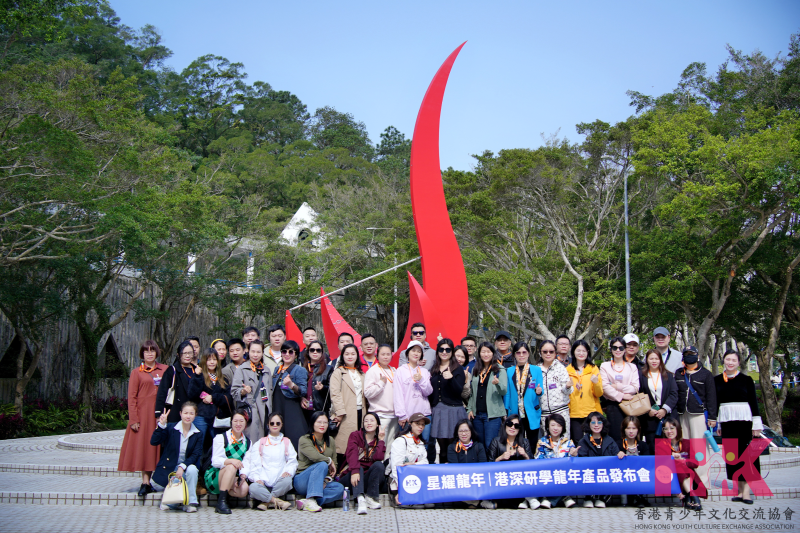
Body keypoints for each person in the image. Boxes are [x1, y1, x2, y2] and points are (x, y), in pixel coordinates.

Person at [119, 340, 168, 497]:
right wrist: (134, 419)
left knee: (162, 448)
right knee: (146, 448)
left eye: (152, 350)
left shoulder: (165, 370)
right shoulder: (136, 372)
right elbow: (131, 397)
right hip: (144, 416)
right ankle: (145, 482)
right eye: (146, 351)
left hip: (161, 415)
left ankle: (165, 480)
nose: (149, 353)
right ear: (142, 354)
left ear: (156, 353)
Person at [714, 348, 762, 505]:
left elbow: (754, 403)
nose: (730, 363)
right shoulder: (717, 380)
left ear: (738, 363)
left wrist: (756, 424)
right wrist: (719, 423)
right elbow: (717, 404)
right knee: (733, 457)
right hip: (727, 423)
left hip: (744, 422)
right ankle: (740, 491)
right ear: (724, 361)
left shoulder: (746, 380)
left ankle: (747, 493)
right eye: (728, 360)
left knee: (746, 456)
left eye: (734, 360)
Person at [674, 345, 717, 491]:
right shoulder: (678, 373)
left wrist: (712, 416)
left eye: (691, 353)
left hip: (698, 414)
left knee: (700, 449)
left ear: (697, 356)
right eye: (686, 354)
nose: (688, 356)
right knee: (684, 448)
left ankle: (702, 483)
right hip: (681, 414)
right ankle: (686, 482)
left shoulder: (705, 374)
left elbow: (711, 397)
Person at [149, 402, 203, 512]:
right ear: (180, 413)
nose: (188, 416)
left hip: (186, 466)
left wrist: (182, 466)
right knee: (168, 506)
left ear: (195, 415)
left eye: (191, 413)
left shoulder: (198, 433)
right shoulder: (171, 428)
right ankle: (175, 502)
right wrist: (161, 425)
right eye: (185, 413)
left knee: (192, 470)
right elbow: (154, 441)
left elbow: (195, 454)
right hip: (171, 466)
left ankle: (191, 502)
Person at [242, 412, 297, 511]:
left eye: (278, 423)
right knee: (253, 488)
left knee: (288, 481)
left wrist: (288, 471)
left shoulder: (286, 442)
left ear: (282, 425)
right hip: (263, 483)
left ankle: (266, 502)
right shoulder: (261, 442)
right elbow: (254, 464)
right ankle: (278, 501)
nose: (275, 425)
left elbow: (293, 461)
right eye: (272, 423)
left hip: (280, 482)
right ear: (268, 425)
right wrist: (257, 478)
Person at [294, 412, 344, 512]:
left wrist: (326, 480)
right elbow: (316, 457)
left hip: (322, 481)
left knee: (339, 488)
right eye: (319, 422)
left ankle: (309, 501)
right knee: (322, 464)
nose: (322, 425)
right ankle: (312, 497)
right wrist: (329, 461)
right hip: (303, 480)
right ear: (313, 423)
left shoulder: (331, 440)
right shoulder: (304, 439)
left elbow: (335, 464)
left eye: (325, 422)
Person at [429, 338, 468, 464]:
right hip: (438, 410)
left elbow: (459, 391)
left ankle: (455, 473)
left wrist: (451, 379)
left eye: (447, 349)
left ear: (452, 351)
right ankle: (442, 474)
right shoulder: (434, 368)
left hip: (453, 410)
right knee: (442, 448)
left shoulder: (457, 369)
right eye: (441, 349)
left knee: (453, 446)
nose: (444, 352)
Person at [205, 409, 251, 514]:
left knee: (244, 489)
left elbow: (247, 462)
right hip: (215, 475)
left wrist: (243, 475)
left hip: (232, 475)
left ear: (245, 423)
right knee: (231, 466)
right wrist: (230, 461)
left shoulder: (248, 442)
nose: (238, 424)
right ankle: (221, 502)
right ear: (231, 422)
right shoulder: (221, 437)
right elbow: (215, 461)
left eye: (241, 421)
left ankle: (225, 494)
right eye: (235, 421)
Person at [330, 343, 368, 466]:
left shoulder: (361, 374)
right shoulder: (338, 372)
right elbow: (335, 394)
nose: (350, 356)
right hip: (345, 413)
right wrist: (340, 412)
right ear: (342, 356)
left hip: (360, 413)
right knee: (343, 445)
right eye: (347, 354)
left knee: (358, 446)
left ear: (357, 356)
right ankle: (340, 474)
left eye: (353, 353)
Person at [341, 412, 386, 515]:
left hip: (365, 479)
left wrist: (381, 440)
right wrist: (355, 471)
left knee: (379, 465)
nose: (368, 423)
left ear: (377, 425)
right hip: (351, 476)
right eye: (366, 421)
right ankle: (360, 499)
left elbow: (378, 458)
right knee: (359, 468)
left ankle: (370, 497)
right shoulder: (355, 435)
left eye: (372, 421)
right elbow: (352, 454)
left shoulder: (377, 441)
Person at [488, 414, 537, 509]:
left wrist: (525, 455)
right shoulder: (496, 441)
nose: (512, 427)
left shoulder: (524, 442)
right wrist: (501, 457)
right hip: (501, 478)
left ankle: (526, 499)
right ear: (505, 425)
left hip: (518, 479)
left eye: (516, 426)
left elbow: (532, 465)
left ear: (520, 429)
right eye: (510, 424)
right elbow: (489, 463)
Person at [600, 336, 640, 448]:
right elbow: (605, 387)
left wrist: (617, 386)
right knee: (616, 436)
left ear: (625, 349)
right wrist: (622, 395)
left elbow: (635, 387)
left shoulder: (632, 367)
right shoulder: (605, 366)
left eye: (621, 348)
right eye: (615, 347)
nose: (618, 350)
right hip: (613, 406)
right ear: (611, 349)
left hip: (630, 405)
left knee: (631, 434)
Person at [269, 340, 309, 450]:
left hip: (291, 409)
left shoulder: (299, 370)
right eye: (284, 351)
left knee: (293, 438)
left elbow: (303, 391)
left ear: (296, 354)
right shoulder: (277, 369)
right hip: (278, 407)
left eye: (291, 352)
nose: (287, 354)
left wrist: (291, 385)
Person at [393, 340, 433, 448]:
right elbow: (398, 394)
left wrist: (421, 380)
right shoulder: (400, 371)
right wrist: (401, 415)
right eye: (413, 351)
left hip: (424, 414)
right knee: (407, 445)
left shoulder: (424, 372)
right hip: (408, 415)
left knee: (424, 445)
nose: (416, 353)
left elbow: (428, 391)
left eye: (419, 351)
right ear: (407, 353)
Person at [231, 340, 272, 443]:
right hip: (251, 411)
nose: (255, 355)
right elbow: (234, 392)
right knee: (251, 440)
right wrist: (243, 391)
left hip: (265, 411)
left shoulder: (266, 371)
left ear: (262, 352)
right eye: (253, 351)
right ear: (248, 351)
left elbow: (270, 392)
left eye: (258, 352)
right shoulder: (242, 369)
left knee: (264, 441)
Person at [533, 413, 579, 508]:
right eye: (553, 425)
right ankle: (565, 498)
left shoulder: (568, 442)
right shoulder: (542, 442)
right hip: (547, 473)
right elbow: (538, 459)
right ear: (548, 427)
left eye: (559, 425)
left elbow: (574, 463)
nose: (555, 428)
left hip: (563, 474)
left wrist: (574, 455)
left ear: (563, 428)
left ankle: (549, 499)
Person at [187, 348, 231, 446]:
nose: (212, 362)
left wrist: (214, 397)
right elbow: (192, 395)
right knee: (198, 445)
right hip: (201, 416)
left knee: (218, 446)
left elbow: (228, 398)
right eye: (209, 359)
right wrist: (197, 376)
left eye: (214, 359)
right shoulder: (199, 375)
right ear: (204, 361)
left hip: (219, 418)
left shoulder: (223, 378)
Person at [447, 419, 494, 509]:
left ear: (471, 432)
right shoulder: (452, 448)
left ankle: (474, 502)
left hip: (476, 480)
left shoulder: (479, 446)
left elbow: (482, 466)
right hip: (461, 481)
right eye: (461, 431)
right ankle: (477, 502)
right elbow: (454, 468)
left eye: (466, 431)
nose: (464, 434)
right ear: (457, 433)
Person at [364, 344, 400, 459]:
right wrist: (381, 383)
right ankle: (378, 470)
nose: (385, 357)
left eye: (388, 354)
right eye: (383, 354)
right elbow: (368, 393)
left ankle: (388, 471)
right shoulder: (373, 371)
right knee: (380, 445)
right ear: (377, 355)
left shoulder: (394, 370)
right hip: (380, 414)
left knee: (391, 446)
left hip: (394, 415)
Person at [467, 342, 508, 446]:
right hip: (477, 415)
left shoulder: (499, 369)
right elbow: (472, 392)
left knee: (490, 445)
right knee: (479, 445)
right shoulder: (475, 369)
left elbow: (504, 391)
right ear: (479, 353)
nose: (486, 354)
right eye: (483, 351)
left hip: (493, 415)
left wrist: (498, 384)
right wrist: (470, 409)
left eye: (488, 352)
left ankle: (491, 463)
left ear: (493, 353)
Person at [576, 411, 620, 508]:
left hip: (605, 474)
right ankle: (588, 498)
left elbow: (616, 456)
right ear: (588, 424)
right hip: (590, 474)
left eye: (599, 422)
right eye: (593, 422)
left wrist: (620, 454)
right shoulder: (583, 441)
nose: (596, 425)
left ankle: (602, 498)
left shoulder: (610, 440)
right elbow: (582, 461)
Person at [640, 349, 678, 455]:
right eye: (651, 358)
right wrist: (648, 410)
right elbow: (639, 394)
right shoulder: (641, 375)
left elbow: (674, 394)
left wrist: (664, 409)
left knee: (667, 448)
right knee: (652, 448)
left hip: (666, 415)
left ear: (660, 360)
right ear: (647, 360)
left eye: (656, 358)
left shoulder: (668, 375)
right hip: (650, 416)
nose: (654, 361)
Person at [504, 341, 543, 444]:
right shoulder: (509, 371)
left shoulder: (536, 370)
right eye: (518, 352)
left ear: (528, 354)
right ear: (514, 355)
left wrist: (539, 391)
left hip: (531, 410)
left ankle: (531, 460)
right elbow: (508, 393)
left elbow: (540, 389)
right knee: (516, 441)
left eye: (524, 352)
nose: (521, 355)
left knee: (533, 441)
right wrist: (506, 410)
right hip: (515, 411)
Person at [663, 417, 704, 511]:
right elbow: (661, 464)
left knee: (683, 467)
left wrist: (683, 460)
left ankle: (688, 497)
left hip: (687, 474)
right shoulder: (662, 444)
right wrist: (671, 457)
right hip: (670, 476)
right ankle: (694, 496)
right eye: (666, 429)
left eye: (672, 428)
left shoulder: (686, 443)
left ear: (677, 429)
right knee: (678, 466)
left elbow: (695, 463)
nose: (669, 431)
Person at [390, 413, 430, 507]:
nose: (420, 427)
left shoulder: (421, 443)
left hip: (417, 480)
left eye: (423, 424)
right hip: (400, 481)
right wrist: (400, 490)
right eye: (417, 423)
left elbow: (425, 462)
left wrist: (413, 465)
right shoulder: (401, 441)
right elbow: (396, 467)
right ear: (410, 424)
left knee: (429, 505)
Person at [566, 340, 602, 444]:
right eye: (578, 351)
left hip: (591, 411)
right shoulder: (567, 370)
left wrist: (596, 383)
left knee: (593, 441)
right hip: (574, 412)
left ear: (588, 353)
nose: (581, 353)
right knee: (578, 441)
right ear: (573, 352)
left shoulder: (593, 369)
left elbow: (599, 393)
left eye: (584, 351)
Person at [537, 339, 573, 440]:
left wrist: (568, 386)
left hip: (560, 412)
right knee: (547, 445)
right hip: (545, 415)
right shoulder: (536, 369)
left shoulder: (561, 368)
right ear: (540, 353)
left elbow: (568, 391)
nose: (548, 354)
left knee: (563, 444)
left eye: (551, 351)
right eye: (545, 351)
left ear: (555, 353)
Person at [155, 341, 197, 424]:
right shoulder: (172, 370)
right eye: (184, 353)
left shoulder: (197, 370)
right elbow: (162, 392)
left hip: (194, 413)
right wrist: (159, 413)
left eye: (190, 353)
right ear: (178, 355)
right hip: (175, 412)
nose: (188, 356)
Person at [617, 416, 649, 508]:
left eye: (634, 428)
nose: (631, 431)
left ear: (638, 430)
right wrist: (618, 454)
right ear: (624, 429)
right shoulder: (618, 444)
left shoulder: (643, 445)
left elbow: (646, 461)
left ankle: (638, 497)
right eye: (628, 428)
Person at [301, 340, 332, 426]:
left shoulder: (328, 369)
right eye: (312, 350)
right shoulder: (302, 368)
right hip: (304, 409)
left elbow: (333, 389)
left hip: (319, 408)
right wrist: (301, 398)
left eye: (318, 350)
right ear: (308, 352)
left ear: (322, 352)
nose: (315, 352)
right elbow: (299, 387)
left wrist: (323, 388)